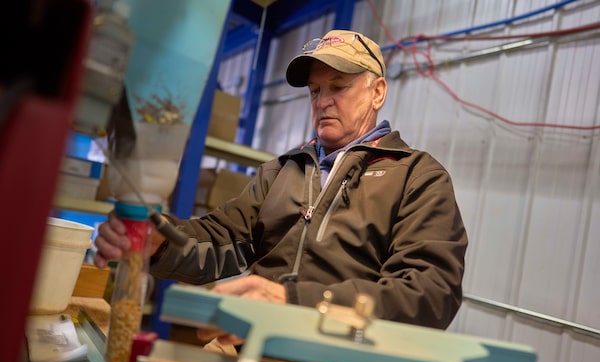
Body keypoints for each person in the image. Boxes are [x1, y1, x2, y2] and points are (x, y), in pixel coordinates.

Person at [94, 30, 468, 343]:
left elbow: (429, 293)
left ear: (378, 92)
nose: (323, 101)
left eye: (338, 87)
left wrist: (293, 301)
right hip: (254, 344)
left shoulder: (416, 176)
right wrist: (161, 243)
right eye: (315, 90)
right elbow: (223, 238)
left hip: (346, 361)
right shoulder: (282, 170)